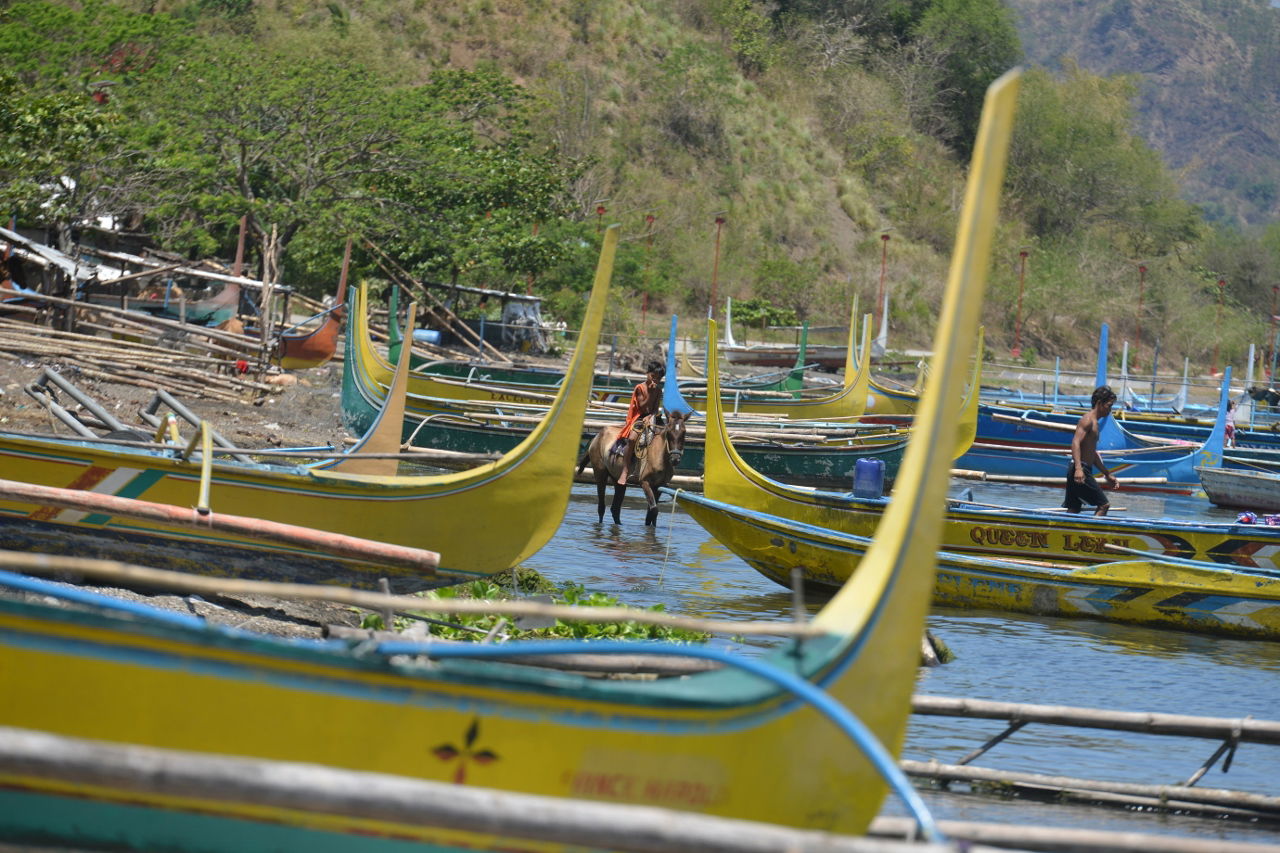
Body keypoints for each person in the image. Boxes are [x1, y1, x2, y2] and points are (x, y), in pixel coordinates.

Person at [1064, 385, 1119, 516]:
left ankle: (1065, 532)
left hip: (1081, 469)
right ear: (1100, 403)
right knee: (1104, 505)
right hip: (1080, 470)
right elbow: (1076, 442)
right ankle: (1093, 535)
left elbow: (1092, 454)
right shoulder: (1087, 420)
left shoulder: (1095, 423)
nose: (1110, 410)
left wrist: (1107, 473)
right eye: (1109, 405)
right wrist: (1078, 469)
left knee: (1074, 509)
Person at [612, 360, 664, 486]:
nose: (655, 380)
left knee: (665, 436)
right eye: (653, 376)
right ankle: (625, 471)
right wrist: (650, 392)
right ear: (647, 374)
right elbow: (642, 405)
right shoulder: (640, 388)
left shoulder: (658, 390)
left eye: (658, 378)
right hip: (638, 417)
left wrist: (651, 416)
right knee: (632, 439)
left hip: (651, 417)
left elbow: (655, 408)